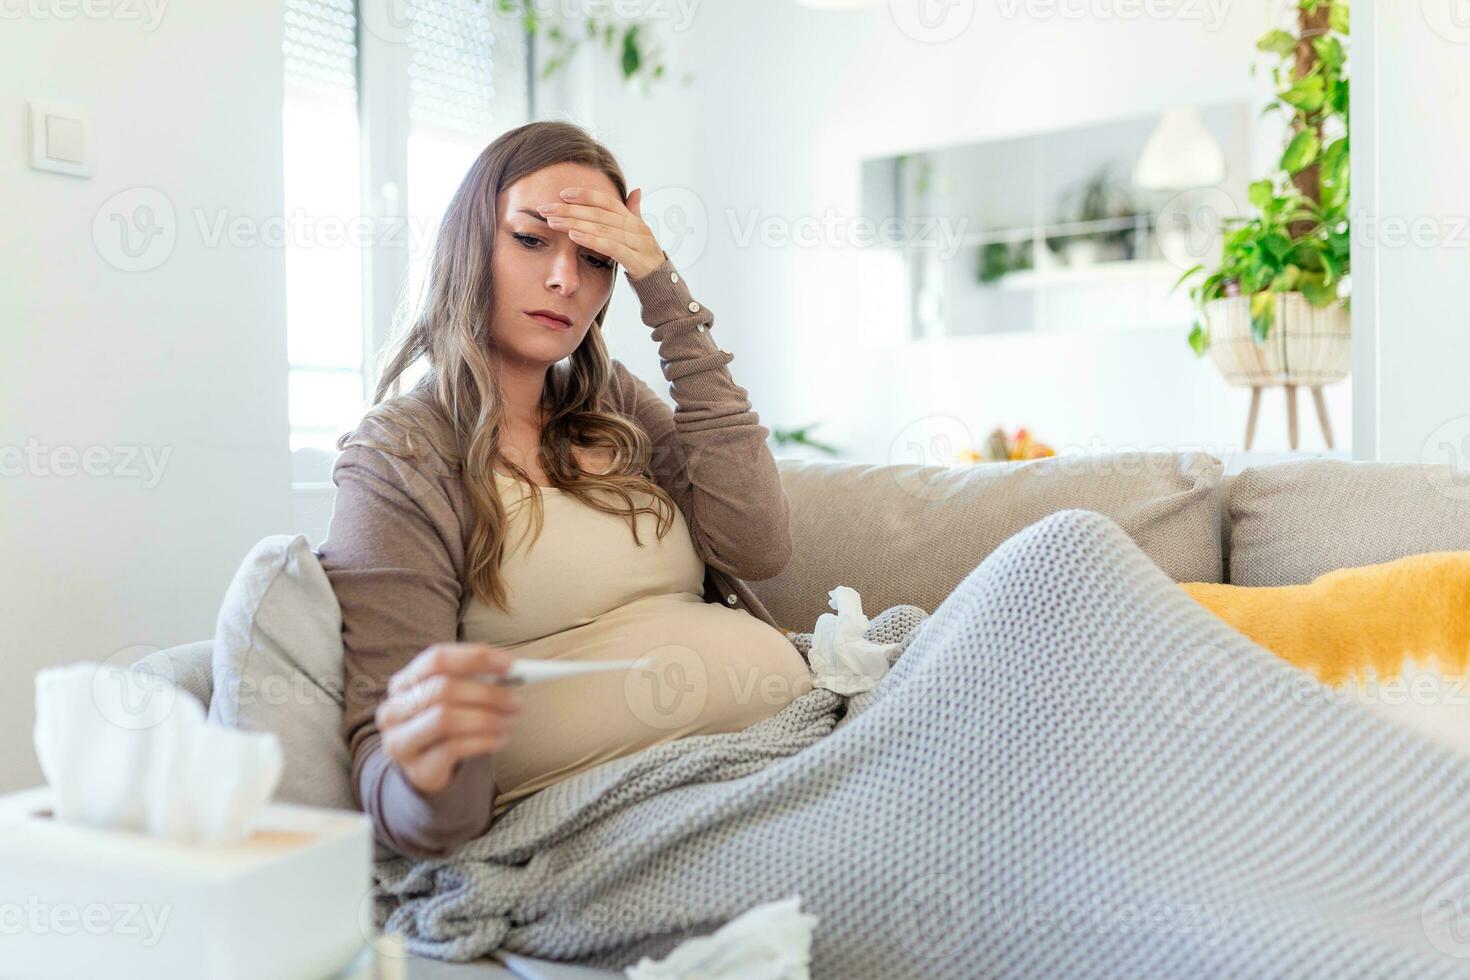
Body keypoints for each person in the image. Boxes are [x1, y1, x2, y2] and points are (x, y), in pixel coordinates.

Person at [318, 120, 813, 860]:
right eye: (530, 240)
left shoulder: (614, 401)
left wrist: (663, 290)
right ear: (470, 242)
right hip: (625, 818)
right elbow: (391, 765)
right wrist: (431, 768)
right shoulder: (400, 455)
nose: (564, 281)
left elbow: (759, 545)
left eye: (596, 258)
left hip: (793, 745)